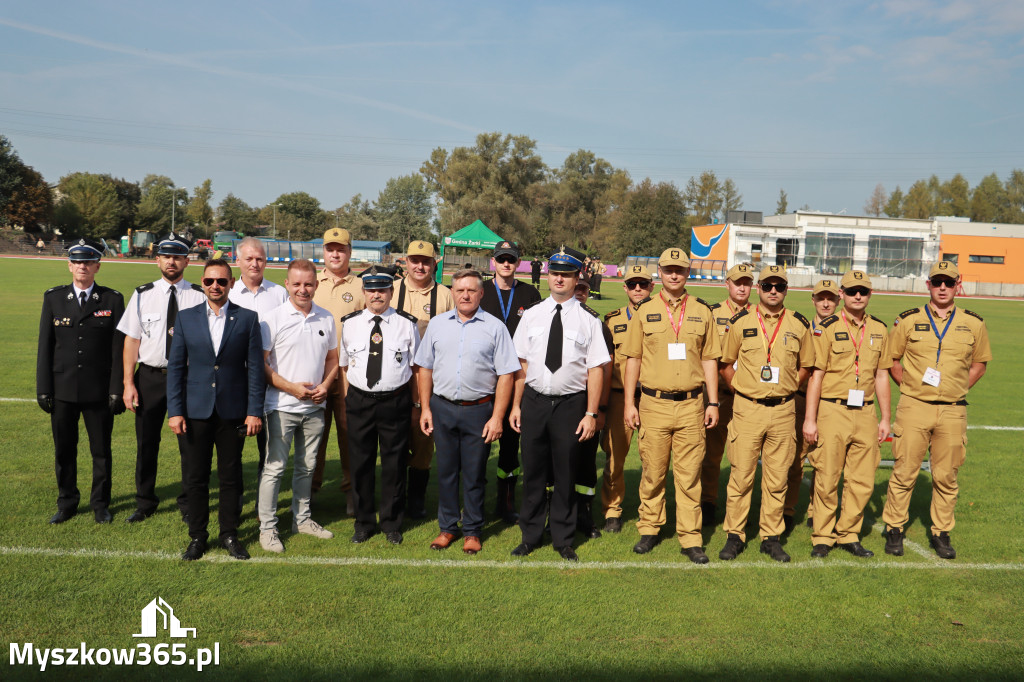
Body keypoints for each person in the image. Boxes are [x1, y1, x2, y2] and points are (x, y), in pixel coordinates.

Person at [882, 260, 991, 559]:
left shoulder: (974, 323)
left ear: (959, 285)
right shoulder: (907, 320)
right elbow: (892, 360)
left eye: (949, 282)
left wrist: (958, 387)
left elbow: (980, 363)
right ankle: (894, 529)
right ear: (927, 284)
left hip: (953, 410)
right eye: (937, 281)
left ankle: (941, 533)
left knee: (946, 476)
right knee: (904, 472)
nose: (942, 287)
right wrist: (909, 386)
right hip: (914, 406)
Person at [509, 247, 610, 562]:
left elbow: (596, 370)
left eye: (566, 275)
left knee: (566, 472)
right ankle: (530, 535)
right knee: (534, 471)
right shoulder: (532, 315)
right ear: (548, 276)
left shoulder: (589, 320)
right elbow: (521, 365)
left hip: (570, 404)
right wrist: (515, 406)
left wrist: (592, 413)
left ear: (577, 277)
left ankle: (564, 538)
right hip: (534, 401)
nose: (559, 279)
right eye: (555, 273)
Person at [621, 249, 721, 562]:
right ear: (660, 274)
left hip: (692, 405)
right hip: (653, 403)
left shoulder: (703, 311)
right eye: (668, 270)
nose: (674, 275)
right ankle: (649, 529)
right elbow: (633, 359)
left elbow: (709, 360)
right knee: (652, 471)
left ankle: (691, 538)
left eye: (679, 270)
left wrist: (713, 402)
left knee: (690, 475)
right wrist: (629, 403)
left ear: (687, 273)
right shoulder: (645, 310)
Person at [417, 269, 520, 554]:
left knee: (474, 474)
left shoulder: (495, 327)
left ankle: (473, 530)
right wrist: (425, 408)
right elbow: (424, 367)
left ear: (481, 293)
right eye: (460, 290)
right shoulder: (437, 325)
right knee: (447, 472)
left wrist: (497, 417)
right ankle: (448, 527)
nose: (465, 295)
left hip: (479, 411)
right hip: (442, 407)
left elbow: (506, 375)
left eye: (471, 290)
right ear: (452, 292)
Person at [167, 259, 265, 561]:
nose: (215, 286)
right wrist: (175, 410)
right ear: (202, 282)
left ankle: (229, 534)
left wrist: (254, 411)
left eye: (221, 281)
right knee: (195, 478)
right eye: (209, 281)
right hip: (195, 411)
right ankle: (197, 536)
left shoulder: (248, 319)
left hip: (232, 411)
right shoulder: (186, 318)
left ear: (231, 283)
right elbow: (175, 368)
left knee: (230, 476)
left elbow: (255, 371)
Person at [718, 264, 814, 563]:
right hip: (747, 409)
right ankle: (735, 535)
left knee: (777, 477)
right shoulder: (741, 321)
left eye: (780, 286)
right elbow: (726, 364)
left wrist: (785, 387)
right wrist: (744, 390)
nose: (774, 291)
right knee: (741, 475)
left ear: (787, 290)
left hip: (784, 411)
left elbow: (807, 366)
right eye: (768, 286)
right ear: (759, 288)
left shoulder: (799, 324)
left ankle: (771, 537)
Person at [801, 271, 891, 559]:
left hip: (865, 412)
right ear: (842, 294)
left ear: (870, 294)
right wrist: (810, 419)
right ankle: (823, 537)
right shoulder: (826, 328)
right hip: (833, 410)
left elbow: (881, 375)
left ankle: (849, 534)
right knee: (827, 477)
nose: (857, 296)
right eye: (852, 291)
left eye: (862, 291)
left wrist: (885, 418)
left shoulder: (879, 329)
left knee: (862, 479)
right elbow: (816, 376)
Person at [118, 233, 206, 524]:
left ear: (187, 261)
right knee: (146, 442)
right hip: (151, 377)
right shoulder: (143, 294)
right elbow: (132, 340)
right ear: (157, 260)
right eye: (166, 256)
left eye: (177, 256)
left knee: (189, 443)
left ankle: (188, 502)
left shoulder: (199, 295)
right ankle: (145, 501)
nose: (171, 261)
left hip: (188, 379)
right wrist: (129, 383)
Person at [37, 238, 125, 524]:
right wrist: (43, 388)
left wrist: (116, 389)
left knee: (100, 452)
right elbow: (45, 347)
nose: (82, 266)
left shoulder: (112, 299)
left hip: (98, 391)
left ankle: (100, 504)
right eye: (77, 262)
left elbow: (117, 350)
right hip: (62, 389)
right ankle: (67, 503)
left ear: (98, 266)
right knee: (64, 450)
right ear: (69, 266)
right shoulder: (53, 298)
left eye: (88, 262)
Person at [258, 259, 339, 553]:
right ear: (287, 285)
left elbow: (332, 360)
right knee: (275, 469)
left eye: (308, 284)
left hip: (315, 408)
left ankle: (301, 520)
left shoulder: (326, 318)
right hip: (280, 406)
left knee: (306, 468)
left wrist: (325, 387)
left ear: (316, 285)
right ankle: (267, 529)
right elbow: (261, 364)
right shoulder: (272, 318)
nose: (303, 289)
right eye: (297, 284)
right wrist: (291, 388)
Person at [340, 266, 421, 545]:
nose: (377, 295)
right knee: (360, 464)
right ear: (363, 292)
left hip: (395, 401)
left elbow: (416, 368)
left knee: (394, 464)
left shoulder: (406, 323)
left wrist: (416, 405)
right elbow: (343, 366)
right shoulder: (349, 323)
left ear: (391, 292)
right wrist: (346, 402)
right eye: (371, 289)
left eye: (383, 289)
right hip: (359, 401)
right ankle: (363, 522)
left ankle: (391, 522)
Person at [479, 241, 541, 524]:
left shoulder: (530, 293)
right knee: (478, 443)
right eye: (501, 259)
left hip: (517, 378)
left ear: (518, 264)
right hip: (484, 378)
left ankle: (506, 502)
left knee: (510, 444)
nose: (506, 264)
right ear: (493, 262)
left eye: (511, 260)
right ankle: (476, 500)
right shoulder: (481, 291)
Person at [393, 240, 454, 518]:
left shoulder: (445, 295)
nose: (420, 266)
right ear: (405, 261)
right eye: (414, 260)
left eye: (426, 261)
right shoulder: (390, 290)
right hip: (393, 381)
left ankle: (416, 501)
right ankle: (393, 498)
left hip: (429, 382)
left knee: (422, 441)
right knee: (393, 440)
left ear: (435, 263)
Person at [311, 228, 365, 516]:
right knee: (313, 437)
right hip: (314, 374)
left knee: (349, 437)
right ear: (323, 251)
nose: (335, 253)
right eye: (330, 248)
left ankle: (352, 494)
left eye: (341, 249)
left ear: (349, 252)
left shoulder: (361, 286)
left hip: (348, 375)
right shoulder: (311, 282)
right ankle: (309, 492)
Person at [229, 236, 288, 495]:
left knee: (269, 449)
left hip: (269, 381)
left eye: (260, 259)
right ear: (237, 260)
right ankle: (236, 499)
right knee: (233, 448)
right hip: (233, 380)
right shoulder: (227, 293)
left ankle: (263, 505)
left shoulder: (279, 294)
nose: (255, 263)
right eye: (249, 258)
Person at [599, 264, 655, 533]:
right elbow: (604, 363)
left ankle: (651, 511)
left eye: (643, 284)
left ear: (651, 286)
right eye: (632, 284)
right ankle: (612, 510)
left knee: (653, 460)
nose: (637, 289)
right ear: (624, 287)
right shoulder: (612, 320)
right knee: (614, 458)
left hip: (654, 398)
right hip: (621, 397)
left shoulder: (663, 317)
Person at [784, 278, 839, 531]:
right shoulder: (801, 327)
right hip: (800, 399)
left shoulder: (844, 329)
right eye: (821, 298)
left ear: (838, 300)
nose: (825, 303)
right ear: (813, 300)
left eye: (830, 298)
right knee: (794, 460)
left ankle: (815, 511)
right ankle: (787, 509)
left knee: (825, 463)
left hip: (830, 404)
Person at [701, 263, 754, 527]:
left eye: (746, 282)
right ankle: (708, 502)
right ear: (727, 284)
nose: (742, 287)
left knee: (744, 457)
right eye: (737, 282)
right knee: (711, 455)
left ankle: (742, 509)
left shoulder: (760, 315)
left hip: (750, 399)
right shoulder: (712, 314)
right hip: (719, 395)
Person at [572, 279, 614, 540]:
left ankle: (584, 516)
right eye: (575, 287)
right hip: (559, 401)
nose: (578, 293)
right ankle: (556, 515)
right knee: (556, 462)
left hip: (587, 404)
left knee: (586, 463)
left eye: (583, 290)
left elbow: (605, 370)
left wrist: (599, 409)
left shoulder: (597, 324)